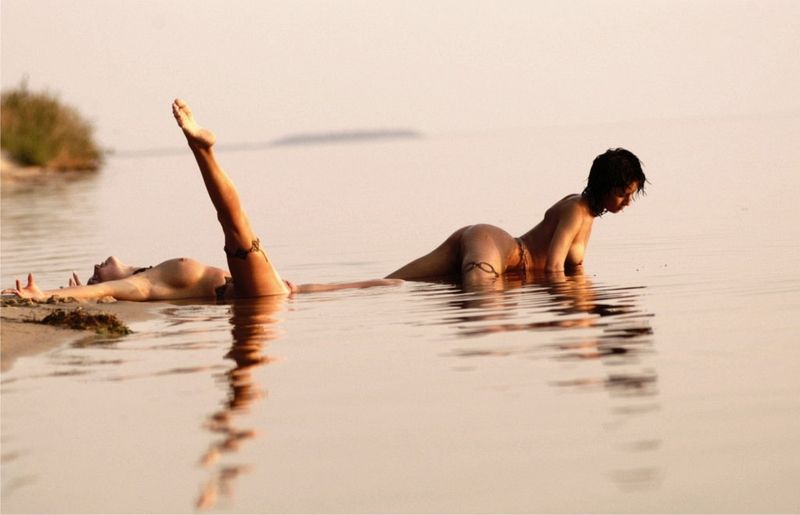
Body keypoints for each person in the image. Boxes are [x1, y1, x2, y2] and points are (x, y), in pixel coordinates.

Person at [3, 99, 646, 301]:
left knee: (383, 285)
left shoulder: (167, 277)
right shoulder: (161, 279)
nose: (102, 265)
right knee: (237, 228)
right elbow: (113, 292)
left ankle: (206, 152)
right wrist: (54, 297)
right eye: (100, 269)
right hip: (264, 289)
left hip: (272, 292)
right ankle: (205, 152)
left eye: (98, 266)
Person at [386, 147, 646, 285]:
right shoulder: (576, 211)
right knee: (486, 320)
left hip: (488, 242)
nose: (628, 202)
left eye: (631, 194)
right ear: (604, 186)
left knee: (390, 283)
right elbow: (553, 268)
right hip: (500, 248)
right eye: (623, 194)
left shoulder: (582, 211)